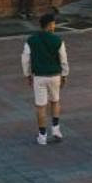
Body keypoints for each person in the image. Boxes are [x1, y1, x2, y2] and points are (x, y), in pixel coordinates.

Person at [23, 11, 69, 145]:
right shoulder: (58, 40)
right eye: (54, 24)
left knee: (41, 106)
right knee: (55, 101)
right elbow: (63, 60)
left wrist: (28, 74)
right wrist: (64, 74)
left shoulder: (31, 40)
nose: (54, 26)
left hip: (39, 76)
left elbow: (25, 59)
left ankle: (42, 135)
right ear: (49, 25)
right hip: (54, 75)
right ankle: (56, 129)